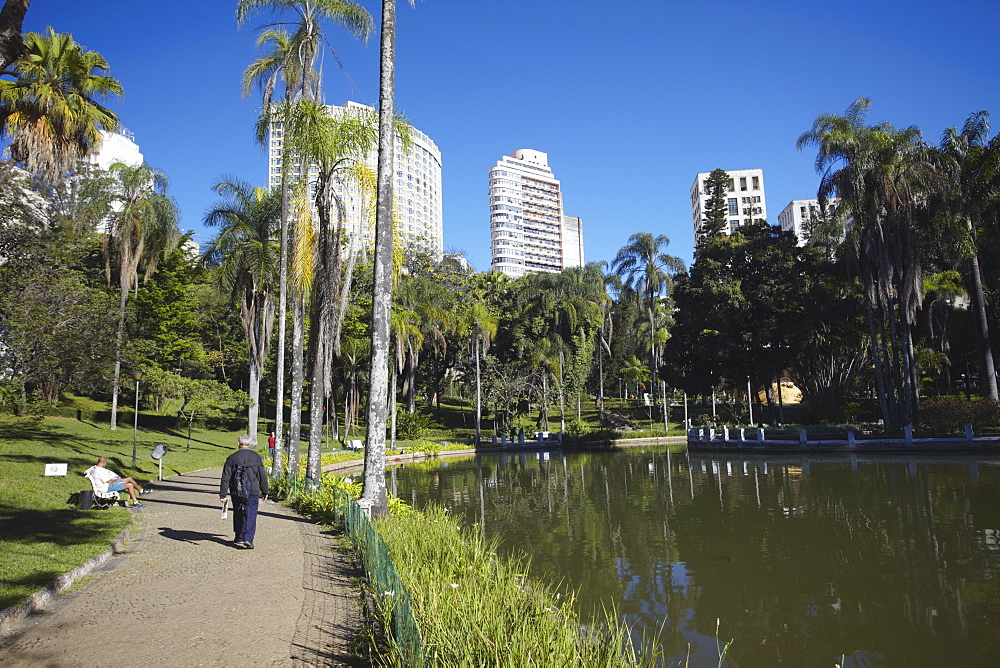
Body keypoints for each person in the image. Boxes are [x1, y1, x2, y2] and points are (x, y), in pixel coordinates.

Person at [220, 434, 269, 549]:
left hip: (237, 489)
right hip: (252, 490)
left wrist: (223, 494)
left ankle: (239, 536)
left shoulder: (232, 458)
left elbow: (226, 477)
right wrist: (265, 491)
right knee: (251, 513)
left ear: (238, 443)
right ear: (250, 444)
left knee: (238, 511)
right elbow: (262, 475)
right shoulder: (256, 457)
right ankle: (248, 538)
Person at [83, 457, 151, 507]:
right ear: (103, 463)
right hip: (106, 487)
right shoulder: (99, 471)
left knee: (130, 485)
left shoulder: (93, 468)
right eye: (105, 464)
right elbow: (108, 481)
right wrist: (117, 480)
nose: (105, 465)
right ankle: (141, 491)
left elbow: (85, 472)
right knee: (129, 479)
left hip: (102, 486)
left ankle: (135, 502)